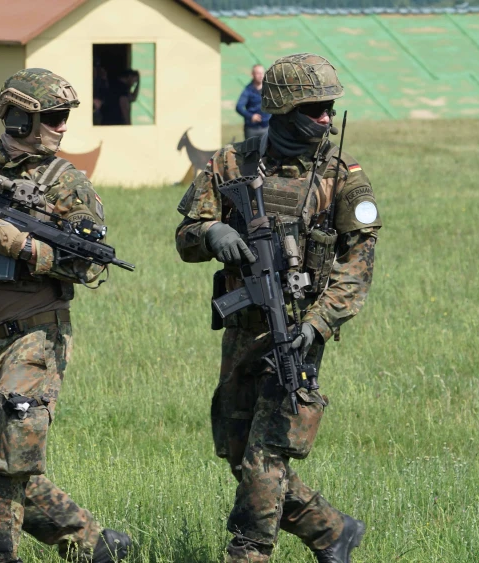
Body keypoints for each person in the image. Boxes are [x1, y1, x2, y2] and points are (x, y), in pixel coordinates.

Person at [0, 68, 131, 563]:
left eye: (65, 116)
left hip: (38, 335)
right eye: (52, 116)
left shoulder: (68, 183)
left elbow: (88, 265)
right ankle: (95, 546)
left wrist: (24, 247)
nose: (62, 126)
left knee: (5, 459)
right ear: (18, 119)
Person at [175, 53, 381, 563]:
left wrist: (317, 323)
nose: (326, 118)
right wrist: (211, 232)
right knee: (237, 449)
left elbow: (356, 268)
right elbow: (185, 237)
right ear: (283, 110)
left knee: (266, 455)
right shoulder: (230, 163)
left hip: (298, 334)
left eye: (330, 108)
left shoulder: (341, 178)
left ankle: (248, 550)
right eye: (315, 109)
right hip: (242, 326)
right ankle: (331, 529)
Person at [236, 64, 270, 140]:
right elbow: (239, 107)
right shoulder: (248, 90)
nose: (261, 75)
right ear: (252, 74)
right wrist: (251, 116)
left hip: (267, 128)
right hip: (252, 129)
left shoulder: (269, 89)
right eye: (258, 73)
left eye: (262, 73)